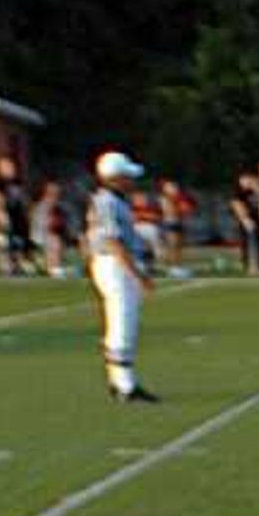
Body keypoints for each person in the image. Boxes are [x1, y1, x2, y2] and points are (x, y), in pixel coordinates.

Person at [84, 150, 159, 403]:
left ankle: (120, 380)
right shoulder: (107, 202)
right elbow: (113, 241)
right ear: (115, 177)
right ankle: (124, 385)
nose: (131, 180)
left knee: (123, 321)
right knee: (122, 322)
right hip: (113, 264)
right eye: (126, 176)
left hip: (113, 262)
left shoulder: (112, 200)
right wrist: (138, 275)